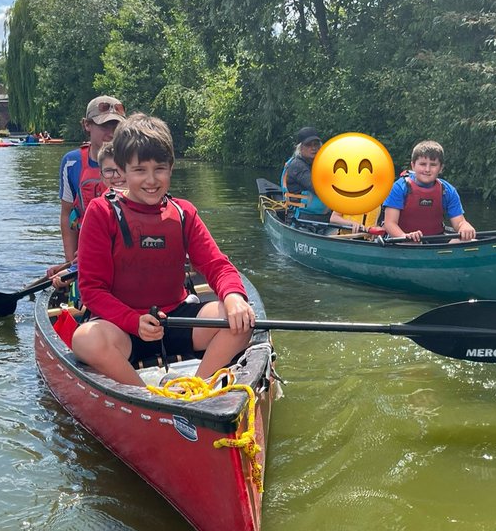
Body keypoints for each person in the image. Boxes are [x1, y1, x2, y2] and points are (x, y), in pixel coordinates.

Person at [71, 112, 255, 387]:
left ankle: (196, 387)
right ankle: (143, 396)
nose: (151, 180)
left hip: (176, 320)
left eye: (159, 169)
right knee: (84, 339)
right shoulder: (101, 211)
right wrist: (133, 321)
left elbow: (217, 266)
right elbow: (92, 290)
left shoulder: (183, 212)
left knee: (241, 321)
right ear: (121, 171)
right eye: (139, 170)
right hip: (122, 327)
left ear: (171, 167)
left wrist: (234, 298)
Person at [56, 95, 126, 264]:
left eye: (116, 126)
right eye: (104, 126)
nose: (111, 133)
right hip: (85, 252)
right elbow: (67, 214)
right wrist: (70, 261)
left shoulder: (135, 161)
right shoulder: (71, 162)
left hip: (123, 248)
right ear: (87, 125)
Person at [381, 140, 477, 242]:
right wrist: (405, 237)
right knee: (412, 244)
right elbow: (390, 224)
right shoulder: (399, 188)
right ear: (413, 165)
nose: (427, 169)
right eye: (422, 164)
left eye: (433, 165)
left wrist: (465, 227)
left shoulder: (448, 191)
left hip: (436, 239)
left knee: (470, 241)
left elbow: (459, 222)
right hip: (402, 240)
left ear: (441, 168)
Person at [280, 126, 366, 234]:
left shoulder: (322, 163)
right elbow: (319, 188)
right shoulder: (297, 166)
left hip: (325, 220)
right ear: (300, 148)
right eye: (308, 145)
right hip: (301, 221)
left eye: (316, 144)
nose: (313, 148)